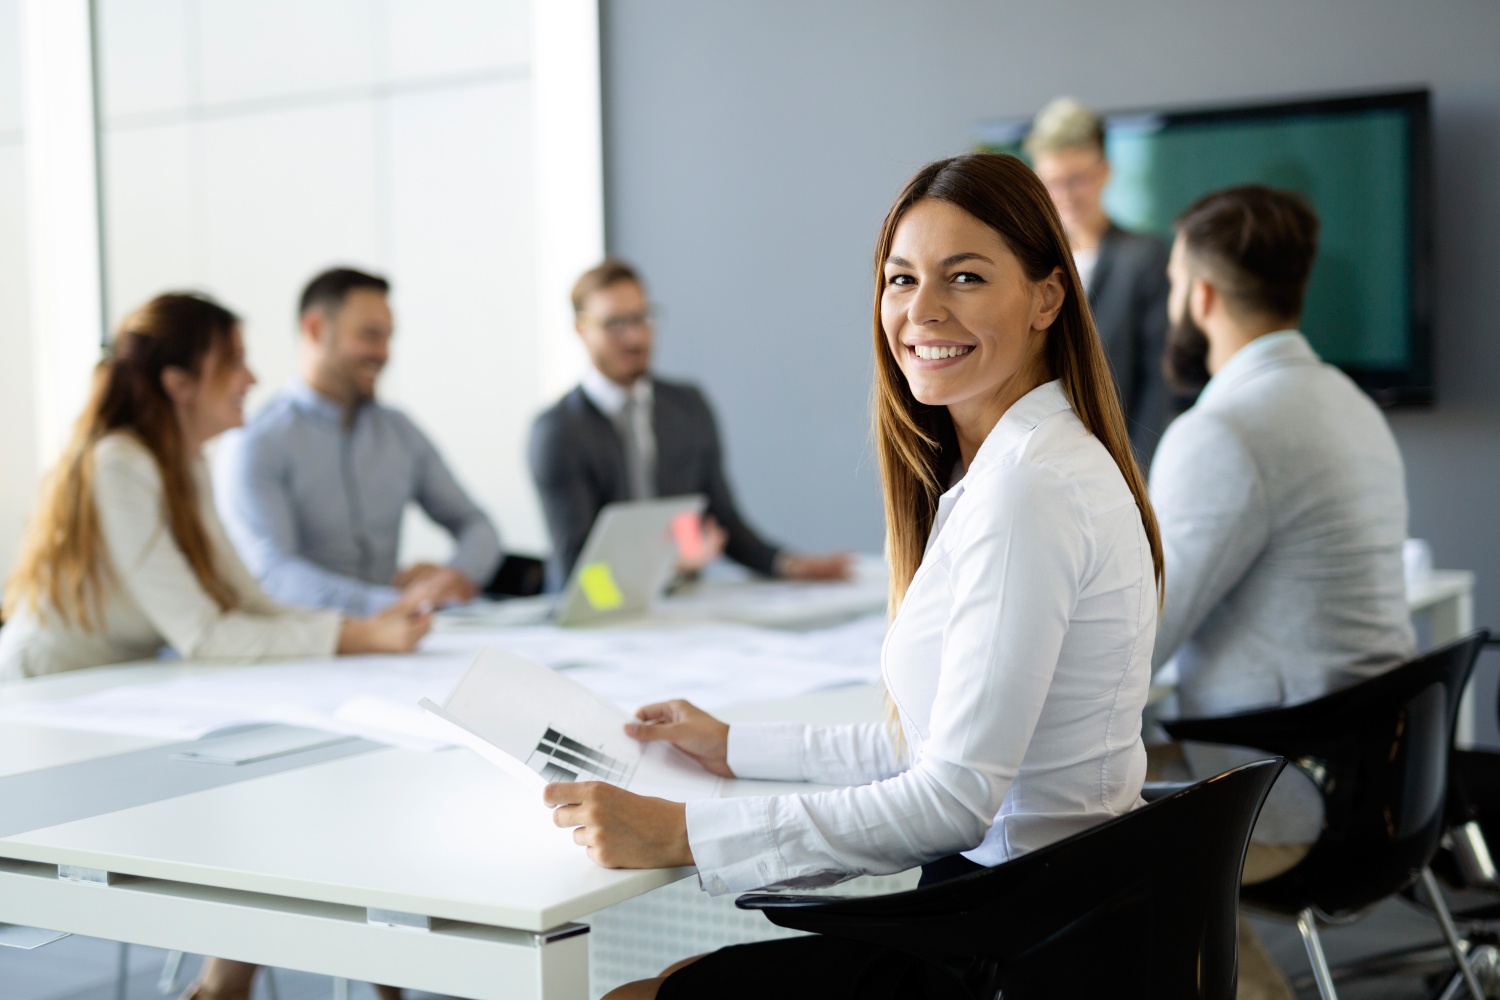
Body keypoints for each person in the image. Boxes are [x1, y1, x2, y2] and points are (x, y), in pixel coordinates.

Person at [542, 153, 1163, 999]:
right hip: (1053, 911)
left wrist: (684, 833)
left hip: (1021, 947)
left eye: (966, 277)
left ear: (1047, 297)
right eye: (901, 279)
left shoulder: (1028, 490)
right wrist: (733, 748)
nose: (921, 311)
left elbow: (950, 799)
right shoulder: (1014, 468)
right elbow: (927, 745)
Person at [0, 292, 428, 1000]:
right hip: (48, 715)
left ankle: (254, 976)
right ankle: (263, 976)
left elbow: (245, 600)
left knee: (289, 777)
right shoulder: (120, 464)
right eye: (233, 361)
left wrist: (367, 631)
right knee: (264, 799)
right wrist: (358, 635)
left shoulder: (182, 460)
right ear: (178, 383)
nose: (252, 378)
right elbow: (204, 633)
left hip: (122, 700)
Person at [1149, 186, 1415, 1000]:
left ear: (1200, 295)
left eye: (1171, 282)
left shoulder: (1224, 431)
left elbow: (1133, 641)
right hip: (1387, 782)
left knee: (1062, 816)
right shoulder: (1349, 401)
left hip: (1296, 798)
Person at [528, 259, 852, 584]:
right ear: (581, 330)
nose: (634, 338)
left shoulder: (687, 408)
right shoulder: (557, 432)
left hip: (682, 607)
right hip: (596, 613)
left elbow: (723, 520)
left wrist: (790, 566)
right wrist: (671, 564)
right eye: (615, 324)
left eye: (642, 318)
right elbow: (580, 571)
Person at [216, 267, 501, 616]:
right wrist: (394, 604)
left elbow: (477, 525)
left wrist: (454, 576)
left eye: (388, 338)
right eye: (369, 335)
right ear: (315, 329)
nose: (383, 353)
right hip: (310, 647)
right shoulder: (257, 441)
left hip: (398, 643)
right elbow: (273, 574)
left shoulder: (400, 432)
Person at [1026, 97, 1175, 468]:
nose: (1065, 195)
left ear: (1104, 171)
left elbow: (1160, 381)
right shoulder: (1027, 263)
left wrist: (1137, 477)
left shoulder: (1144, 257)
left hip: (1117, 463)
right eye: (1051, 182)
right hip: (1038, 461)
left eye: (1077, 179)